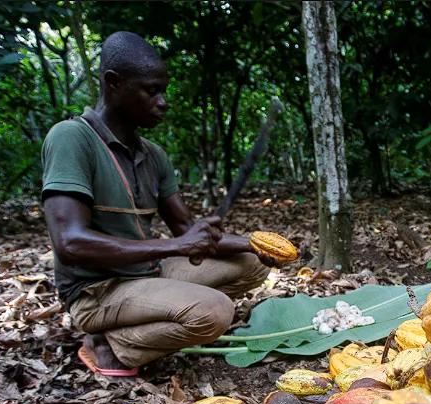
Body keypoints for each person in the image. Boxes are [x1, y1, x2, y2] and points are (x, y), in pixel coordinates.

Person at [40, 31, 279, 377]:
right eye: (151, 91)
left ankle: (159, 317)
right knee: (214, 312)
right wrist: (176, 246)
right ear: (113, 83)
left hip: (146, 271)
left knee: (252, 264)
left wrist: (256, 244)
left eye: (163, 91)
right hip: (96, 291)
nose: (163, 102)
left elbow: (186, 231)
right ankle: (111, 345)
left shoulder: (153, 155)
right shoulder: (71, 138)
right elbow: (70, 243)